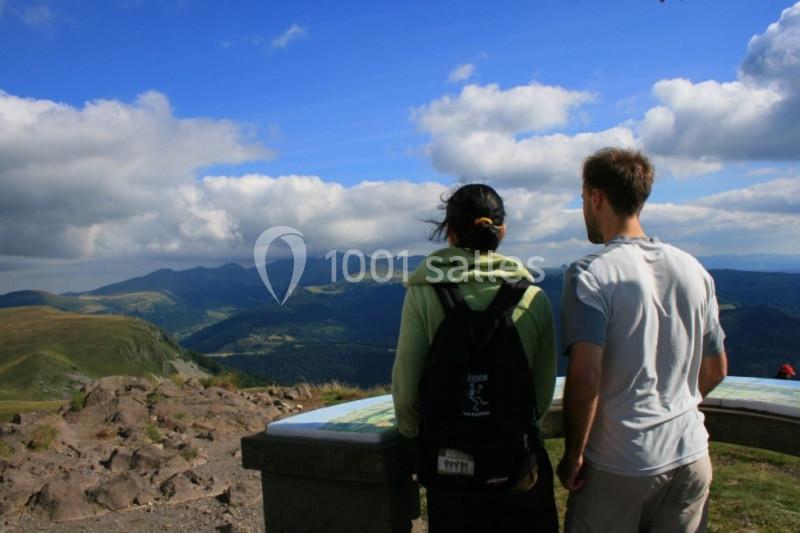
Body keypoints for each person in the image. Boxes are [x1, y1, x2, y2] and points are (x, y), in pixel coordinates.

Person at [557, 148, 728, 532]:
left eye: (583, 198)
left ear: (596, 197)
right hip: (690, 454)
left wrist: (573, 455)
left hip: (620, 462)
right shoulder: (694, 270)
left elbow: (586, 377)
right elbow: (717, 368)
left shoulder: (590, 273)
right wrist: (672, 403)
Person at [392, 183, 558, 533]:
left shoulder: (423, 294)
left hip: (450, 471)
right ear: (502, 230)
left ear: (448, 232)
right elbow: (540, 396)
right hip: (516, 465)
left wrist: (414, 436)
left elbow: (406, 391)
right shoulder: (533, 297)